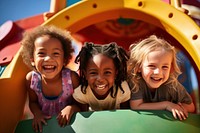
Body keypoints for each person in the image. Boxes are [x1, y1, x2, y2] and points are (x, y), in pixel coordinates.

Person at [20, 25, 80, 132]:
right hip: (46, 126)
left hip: (69, 125)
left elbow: (81, 104)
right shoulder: (32, 79)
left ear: (64, 59)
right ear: (32, 59)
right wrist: (37, 113)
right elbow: (33, 102)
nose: (48, 59)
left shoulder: (71, 78)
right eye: (41, 53)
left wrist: (71, 108)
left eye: (56, 53)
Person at [127, 35, 195, 120]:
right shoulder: (136, 82)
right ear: (139, 67)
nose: (158, 72)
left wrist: (178, 108)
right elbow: (136, 106)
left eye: (165, 67)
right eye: (151, 66)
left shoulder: (172, 85)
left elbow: (191, 106)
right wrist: (167, 105)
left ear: (171, 68)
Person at [73, 42, 131, 111]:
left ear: (116, 73)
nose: (100, 79)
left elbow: (125, 116)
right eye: (93, 73)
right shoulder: (82, 93)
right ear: (85, 74)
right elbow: (84, 118)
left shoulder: (122, 90)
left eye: (107, 72)